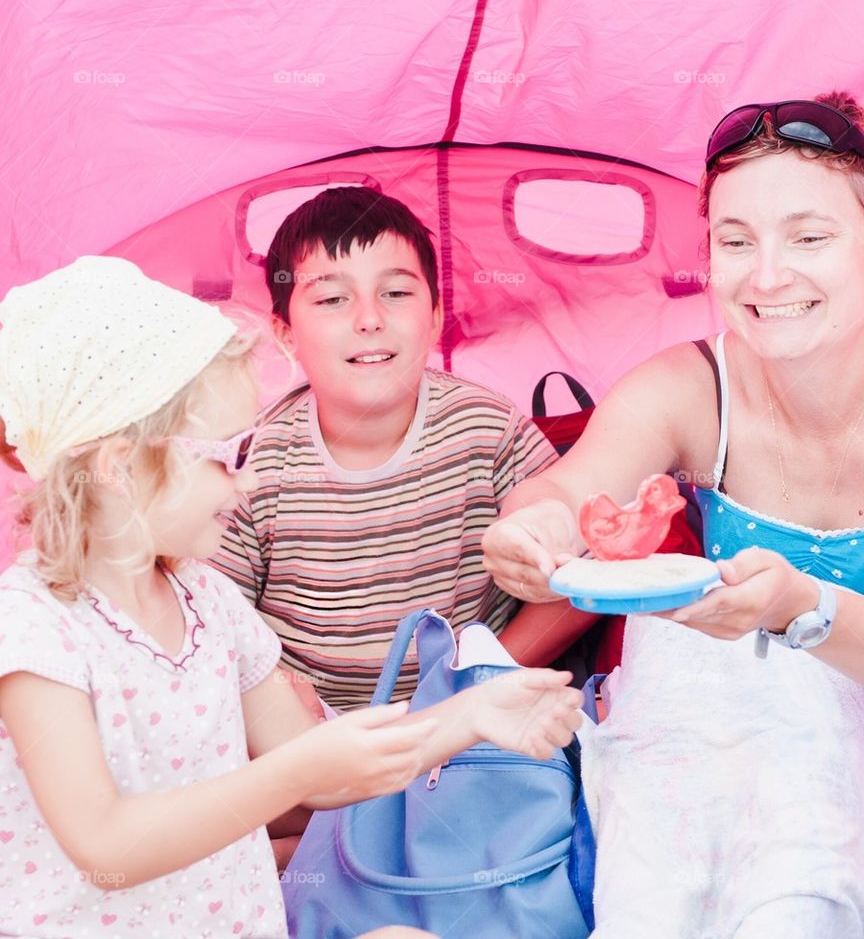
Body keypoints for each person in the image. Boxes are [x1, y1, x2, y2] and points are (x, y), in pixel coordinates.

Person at [482, 92, 864, 938]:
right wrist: (533, 531)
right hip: (728, 752)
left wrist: (798, 609)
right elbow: (567, 490)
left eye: (809, 238)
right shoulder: (690, 386)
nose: (766, 276)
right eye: (736, 242)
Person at [0, 256, 582, 937]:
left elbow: (324, 770)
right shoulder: (37, 630)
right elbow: (107, 848)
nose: (244, 486)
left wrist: (470, 716)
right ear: (118, 466)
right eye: (225, 458)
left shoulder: (206, 601)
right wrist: (292, 772)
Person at [211, 185, 596, 713]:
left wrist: (483, 683)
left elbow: (583, 581)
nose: (369, 319)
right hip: (309, 735)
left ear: (436, 317)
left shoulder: (485, 429)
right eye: (331, 299)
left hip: (468, 719)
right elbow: (214, 628)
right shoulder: (255, 464)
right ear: (285, 334)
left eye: (395, 293)